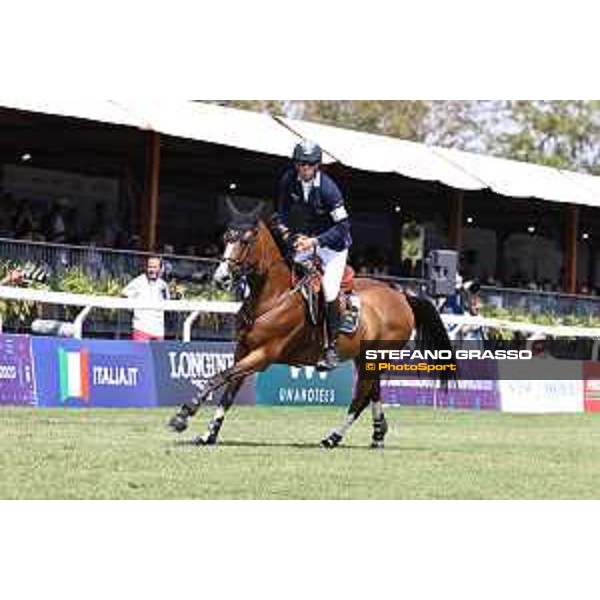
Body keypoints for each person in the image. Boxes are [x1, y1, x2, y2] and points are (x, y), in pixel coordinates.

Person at [273, 139, 352, 370]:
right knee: (287, 276)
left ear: (317, 165)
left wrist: (315, 241)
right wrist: (288, 234)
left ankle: (333, 348)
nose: (304, 169)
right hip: (306, 241)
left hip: (333, 246)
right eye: (300, 164)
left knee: (328, 291)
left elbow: (343, 228)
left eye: (308, 165)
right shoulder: (289, 181)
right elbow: (282, 213)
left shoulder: (329, 189)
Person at [122, 256, 170, 341]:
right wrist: (132, 310)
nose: (151, 270)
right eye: (149, 267)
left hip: (159, 331)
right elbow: (123, 294)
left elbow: (167, 304)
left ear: (160, 268)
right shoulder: (139, 281)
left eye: (154, 267)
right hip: (141, 329)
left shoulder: (163, 285)